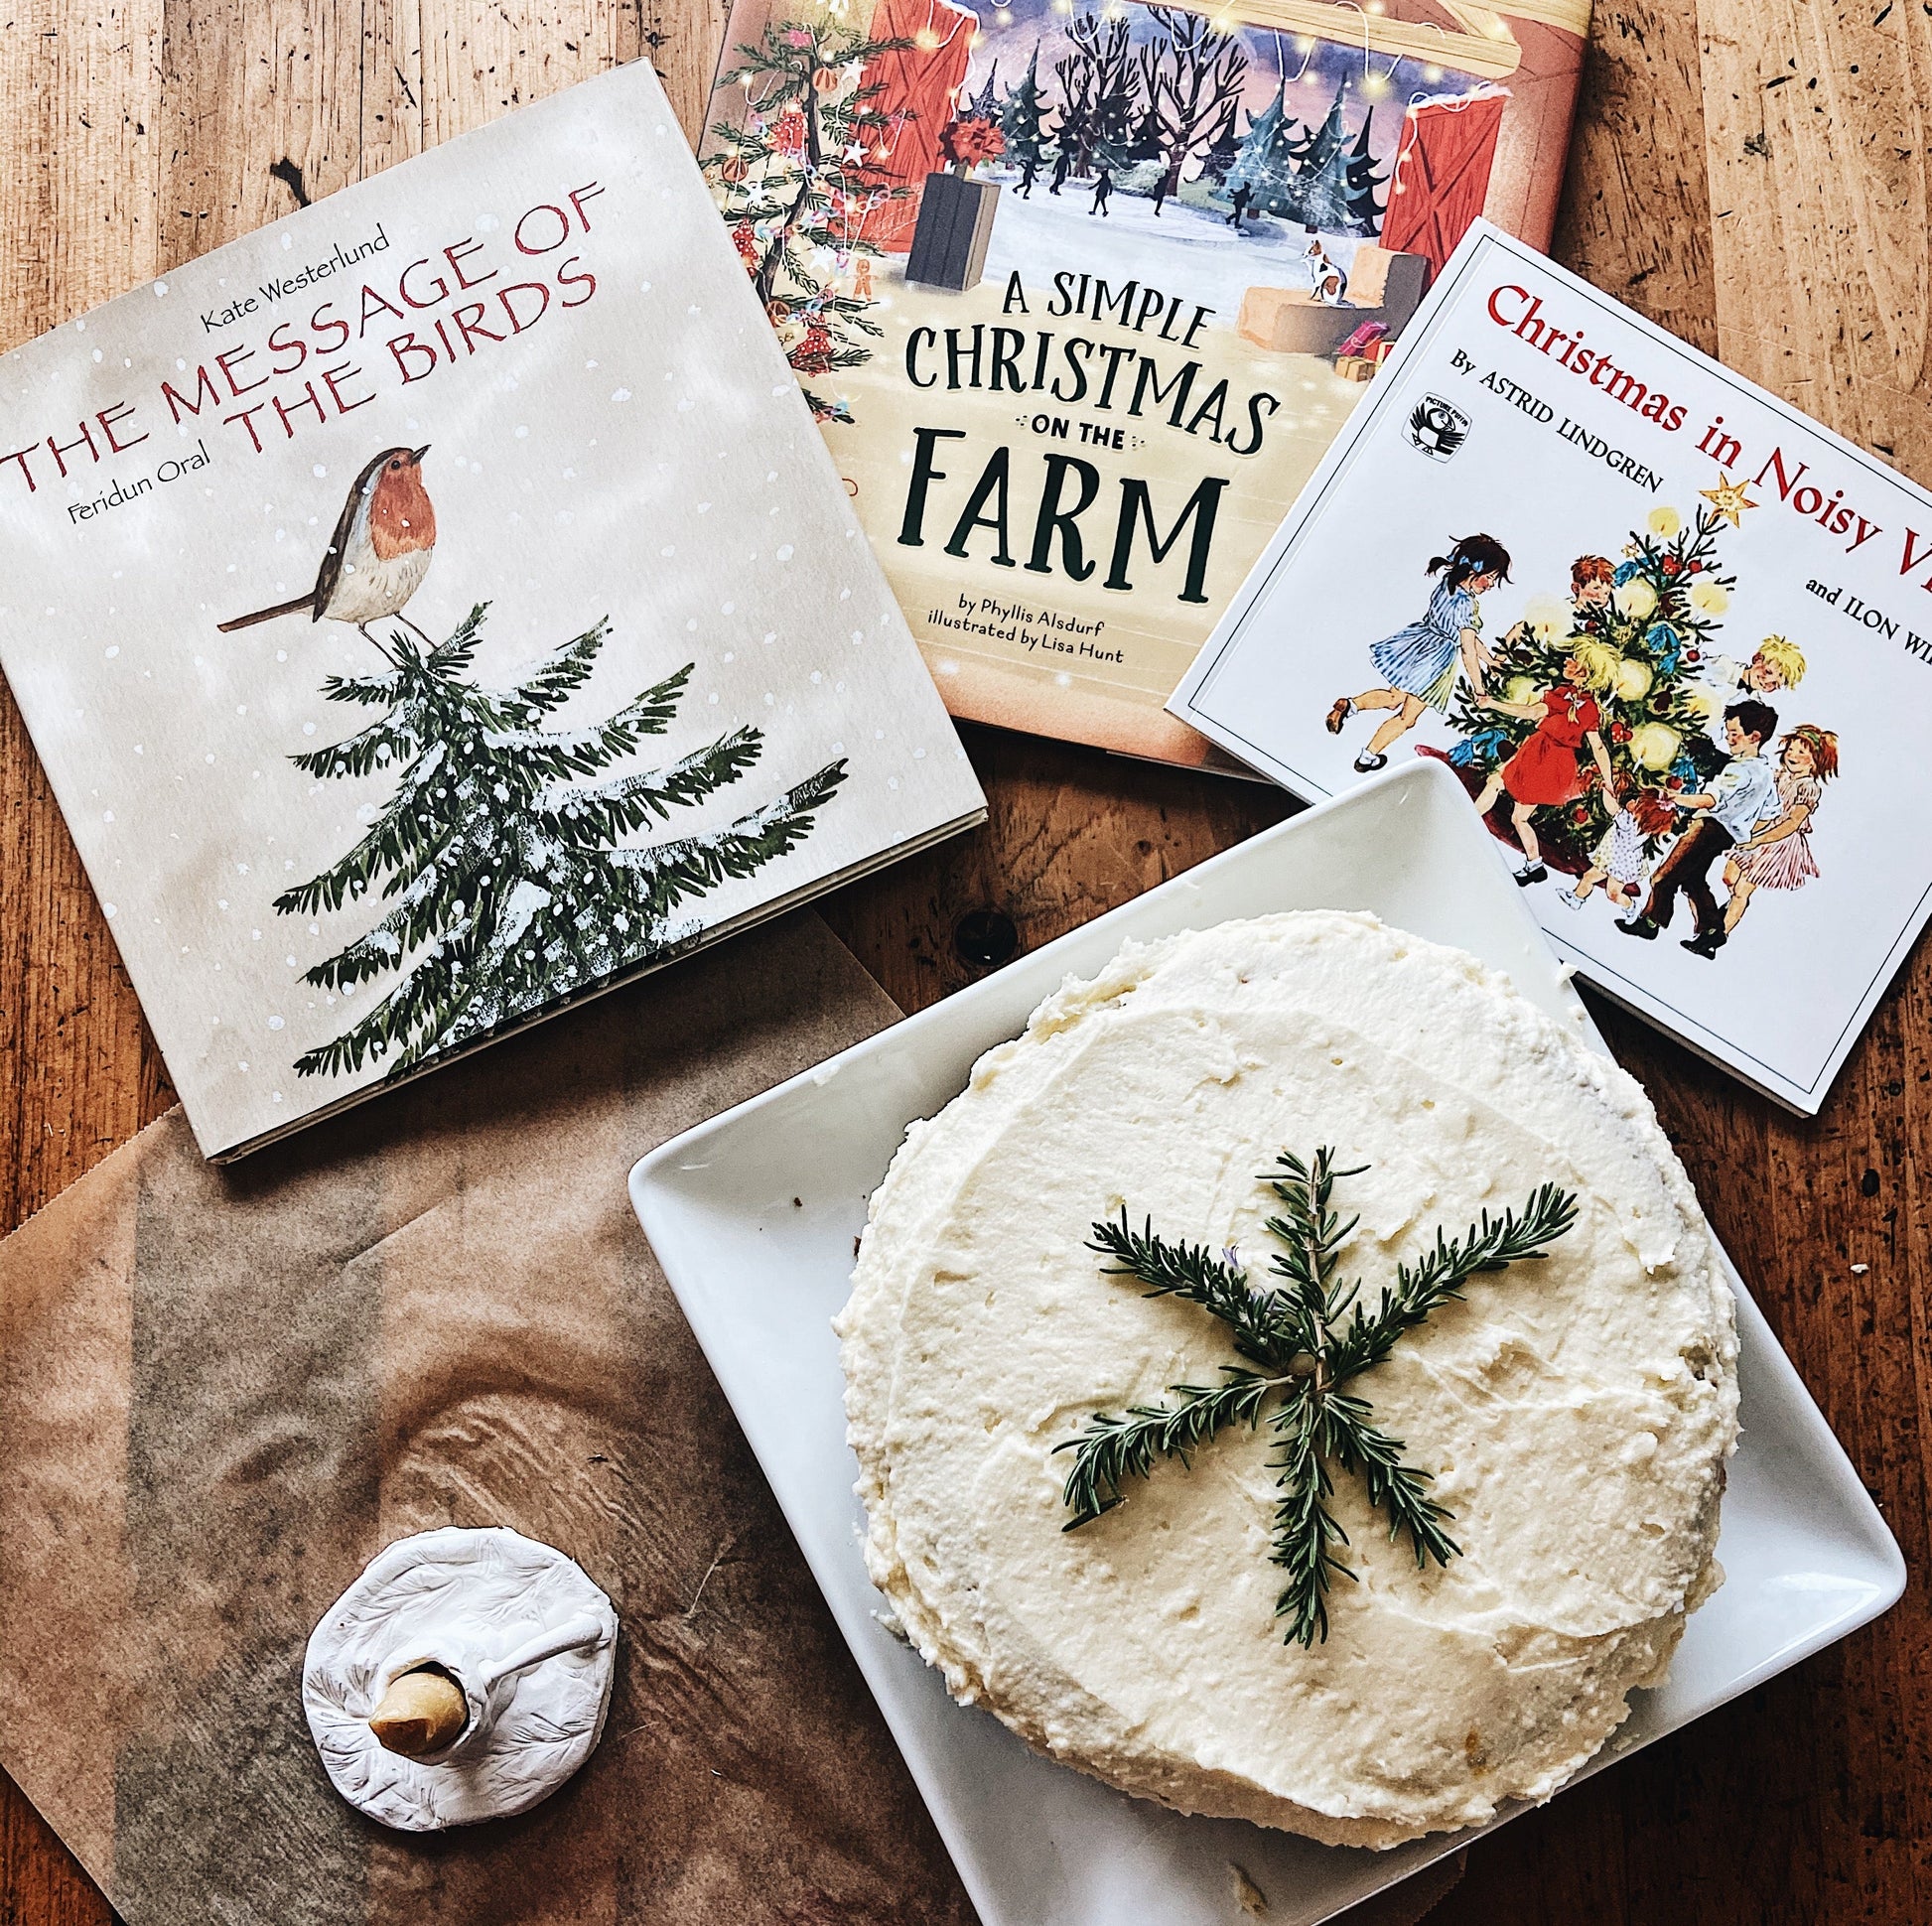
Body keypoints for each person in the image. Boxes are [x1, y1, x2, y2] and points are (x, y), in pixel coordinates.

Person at [1325, 534, 1511, 771]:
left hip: (1419, 642)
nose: (1491, 584)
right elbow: (1467, 649)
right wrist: (1480, 689)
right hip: (1436, 660)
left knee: (1394, 697)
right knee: (1407, 717)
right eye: (1491, 577)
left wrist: (1492, 662)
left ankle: (1351, 705)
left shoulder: (1447, 585)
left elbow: (1472, 641)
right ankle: (1367, 757)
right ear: (1475, 571)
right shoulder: (1467, 604)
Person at [1617, 698, 1780, 958]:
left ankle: (1650, 922)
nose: (1728, 739)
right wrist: (1748, 836)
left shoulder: (1739, 771)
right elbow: (1771, 811)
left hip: (1708, 827)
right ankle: (1711, 932)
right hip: (1727, 836)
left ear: (1755, 736)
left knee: (1664, 876)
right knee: (1692, 880)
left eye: (1734, 734)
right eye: (1728, 733)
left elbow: (1710, 799)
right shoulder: (1765, 772)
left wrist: (1675, 797)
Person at [1469, 643, 1619, 886]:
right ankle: (1535, 865)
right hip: (1551, 760)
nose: (1566, 661)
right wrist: (1609, 782)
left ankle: (1468, 821)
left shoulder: (1567, 698)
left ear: (1584, 672)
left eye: (1573, 659)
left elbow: (1531, 713)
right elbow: (1598, 747)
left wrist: (1492, 703)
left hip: (1543, 758)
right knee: (1520, 816)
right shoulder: (1582, 703)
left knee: (1497, 782)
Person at [1722, 724, 1838, 934]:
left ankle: (1718, 936)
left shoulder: (1808, 788)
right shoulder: (1777, 775)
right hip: (1756, 832)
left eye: (1801, 752)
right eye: (1790, 749)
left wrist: (1760, 839)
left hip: (1779, 843)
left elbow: (1792, 822)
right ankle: (1731, 907)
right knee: (1729, 877)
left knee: (1742, 889)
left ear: (1814, 761)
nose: (1792, 755)